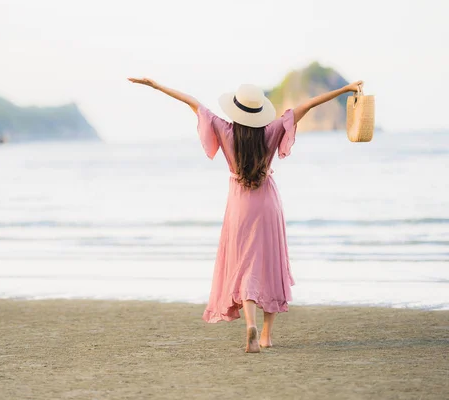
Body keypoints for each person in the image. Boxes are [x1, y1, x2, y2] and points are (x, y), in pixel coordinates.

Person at [128, 76, 363, 353]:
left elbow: (191, 101)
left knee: (246, 266)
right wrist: (345, 89)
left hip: (240, 206)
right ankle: (266, 335)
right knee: (268, 264)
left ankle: (249, 324)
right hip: (267, 204)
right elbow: (308, 105)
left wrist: (157, 86)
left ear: (236, 110)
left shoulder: (224, 129)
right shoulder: (272, 131)